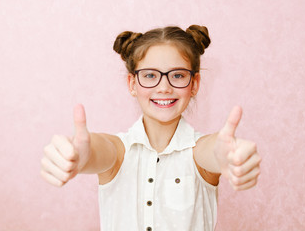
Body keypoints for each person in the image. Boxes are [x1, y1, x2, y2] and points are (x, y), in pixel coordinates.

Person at [40, 25, 261, 231]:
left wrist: (230, 158)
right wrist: (79, 156)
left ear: (194, 84)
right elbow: (99, 149)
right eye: (150, 76)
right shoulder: (118, 151)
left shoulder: (199, 151)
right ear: (132, 84)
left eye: (177, 75)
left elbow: (213, 150)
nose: (164, 87)